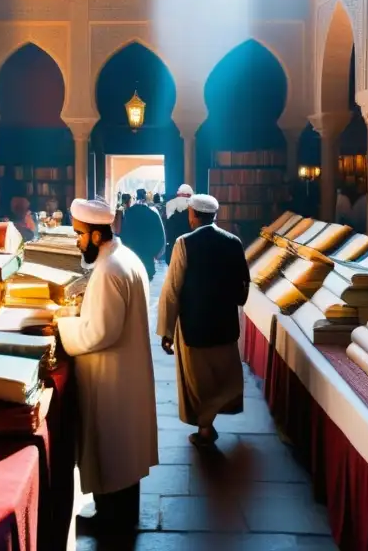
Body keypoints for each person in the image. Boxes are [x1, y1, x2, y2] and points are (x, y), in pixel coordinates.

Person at [55, 198, 158, 533]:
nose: (77, 241)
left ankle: (112, 521)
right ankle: (116, 515)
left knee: (112, 450)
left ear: (97, 236)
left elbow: (99, 332)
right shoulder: (122, 258)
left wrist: (62, 323)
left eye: (80, 234)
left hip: (111, 375)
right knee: (122, 452)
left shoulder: (108, 270)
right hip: (122, 370)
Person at [158, 194, 250, 447]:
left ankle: (206, 427)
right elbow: (244, 284)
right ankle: (209, 423)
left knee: (198, 380)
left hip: (194, 324)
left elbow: (172, 288)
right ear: (215, 215)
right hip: (225, 323)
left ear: (193, 215)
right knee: (224, 376)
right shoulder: (234, 241)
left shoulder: (184, 243)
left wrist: (166, 330)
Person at [120, 188, 166, 280]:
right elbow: (160, 235)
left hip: (131, 260)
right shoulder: (153, 213)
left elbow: (122, 234)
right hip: (148, 261)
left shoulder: (128, 213)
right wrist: (156, 253)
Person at [165, 185, 193, 264]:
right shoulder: (193, 205)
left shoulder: (170, 204)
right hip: (190, 244)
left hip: (174, 244)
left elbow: (169, 226)